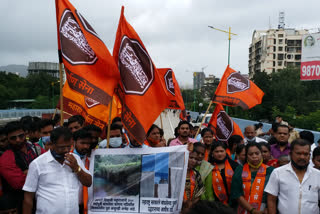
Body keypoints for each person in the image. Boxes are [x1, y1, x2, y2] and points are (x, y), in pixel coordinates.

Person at [22, 127, 92, 214]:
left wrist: (77, 168)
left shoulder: (75, 159)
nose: (66, 150)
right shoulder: (37, 164)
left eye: (68, 146)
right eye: (62, 147)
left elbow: (88, 182)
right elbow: (28, 198)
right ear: (52, 144)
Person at [265, 139, 320, 214]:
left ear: (309, 155)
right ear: (290, 154)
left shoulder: (317, 175)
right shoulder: (278, 172)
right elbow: (271, 199)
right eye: (298, 153)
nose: (302, 157)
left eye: (306, 154)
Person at [0, 121, 44, 213]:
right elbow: (19, 184)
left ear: (26, 134)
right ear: (8, 139)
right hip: (20, 203)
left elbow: (50, 170)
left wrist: (29, 172)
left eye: (21, 136)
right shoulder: (6, 158)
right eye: (13, 138)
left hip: (41, 200)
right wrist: (39, 172)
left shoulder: (37, 148)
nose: (18, 140)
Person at [230, 143, 274, 214]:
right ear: (246, 156)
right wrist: (252, 210)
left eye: (257, 153)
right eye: (251, 154)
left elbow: (273, 195)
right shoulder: (240, 170)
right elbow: (237, 194)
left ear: (261, 154)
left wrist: (268, 209)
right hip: (244, 209)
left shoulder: (271, 171)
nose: (254, 156)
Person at [72, 129, 92, 214]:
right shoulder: (67, 158)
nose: (86, 147)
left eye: (88, 144)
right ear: (74, 142)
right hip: (70, 206)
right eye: (82, 143)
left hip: (86, 206)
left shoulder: (91, 159)